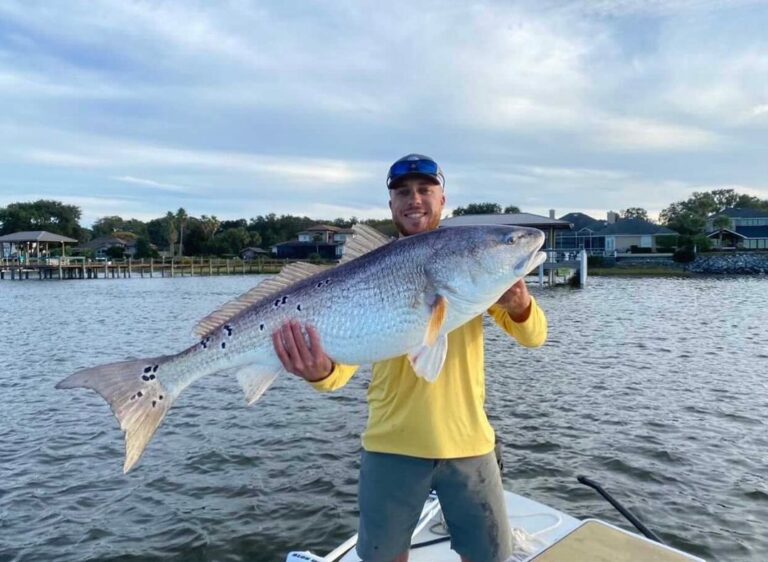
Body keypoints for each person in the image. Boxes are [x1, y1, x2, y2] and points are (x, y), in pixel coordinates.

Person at [273, 154, 547, 562]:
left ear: (442, 199)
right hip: (391, 445)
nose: (414, 199)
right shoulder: (370, 269)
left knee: (489, 556)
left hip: (468, 443)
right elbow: (339, 371)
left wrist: (522, 304)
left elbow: (534, 337)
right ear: (391, 205)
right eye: (402, 192)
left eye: (425, 190)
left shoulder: (471, 272)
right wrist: (320, 371)